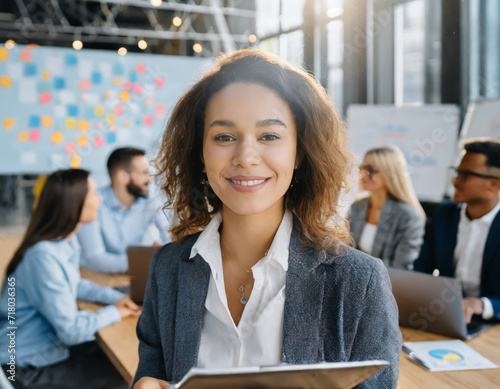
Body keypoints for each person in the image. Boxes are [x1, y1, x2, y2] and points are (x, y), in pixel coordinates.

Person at [132, 49, 402, 389]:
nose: (245, 157)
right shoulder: (168, 268)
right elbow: (151, 373)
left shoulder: (358, 281)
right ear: (200, 153)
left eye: (269, 136)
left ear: (300, 151)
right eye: (224, 137)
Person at [0, 169, 141, 389]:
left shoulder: (63, 242)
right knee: (129, 380)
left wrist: (115, 299)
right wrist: (115, 312)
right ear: (74, 202)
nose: (100, 199)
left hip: (48, 352)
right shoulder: (43, 256)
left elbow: (74, 284)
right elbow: (71, 332)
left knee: (135, 365)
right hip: (25, 367)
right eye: (94, 193)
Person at [415, 138, 500, 323]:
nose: (455, 181)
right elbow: (422, 268)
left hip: (491, 324)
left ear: (495, 184)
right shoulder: (445, 214)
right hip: (444, 316)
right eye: (457, 172)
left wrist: (483, 305)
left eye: (465, 174)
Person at [77, 147, 171, 273]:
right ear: (122, 177)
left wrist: (162, 251)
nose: (149, 179)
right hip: (98, 282)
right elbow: (95, 259)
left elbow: (171, 240)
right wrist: (146, 259)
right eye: (144, 173)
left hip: (133, 278)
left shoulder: (150, 203)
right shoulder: (93, 202)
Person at [348, 145, 426, 270]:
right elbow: (345, 252)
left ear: (390, 174)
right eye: (363, 168)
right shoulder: (357, 207)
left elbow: (401, 268)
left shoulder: (409, 216)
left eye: (371, 170)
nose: (364, 175)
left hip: (387, 286)